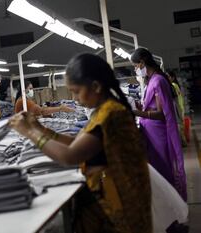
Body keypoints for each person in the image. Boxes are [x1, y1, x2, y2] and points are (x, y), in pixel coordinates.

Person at [10, 54, 152, 233]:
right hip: (112, 195)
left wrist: (29, 133)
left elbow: (71, 156)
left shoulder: (111, 114)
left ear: (95, 86)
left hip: (118, 202)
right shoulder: (104, 110)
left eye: (76, 91)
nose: (74, 98)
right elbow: (78, 142)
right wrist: (40, 128)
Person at [131, 48, 187, 201]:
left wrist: (137, 113)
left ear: (142, 63)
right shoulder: (152, 80)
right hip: (152, 133)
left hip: (158, 135)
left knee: (164, 174)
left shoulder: (158, 81)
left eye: (136, 66)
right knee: (160, 174)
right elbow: (153, 106)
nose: (136, 69)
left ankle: (173, 214)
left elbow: (162, 113)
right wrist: (142, 107)